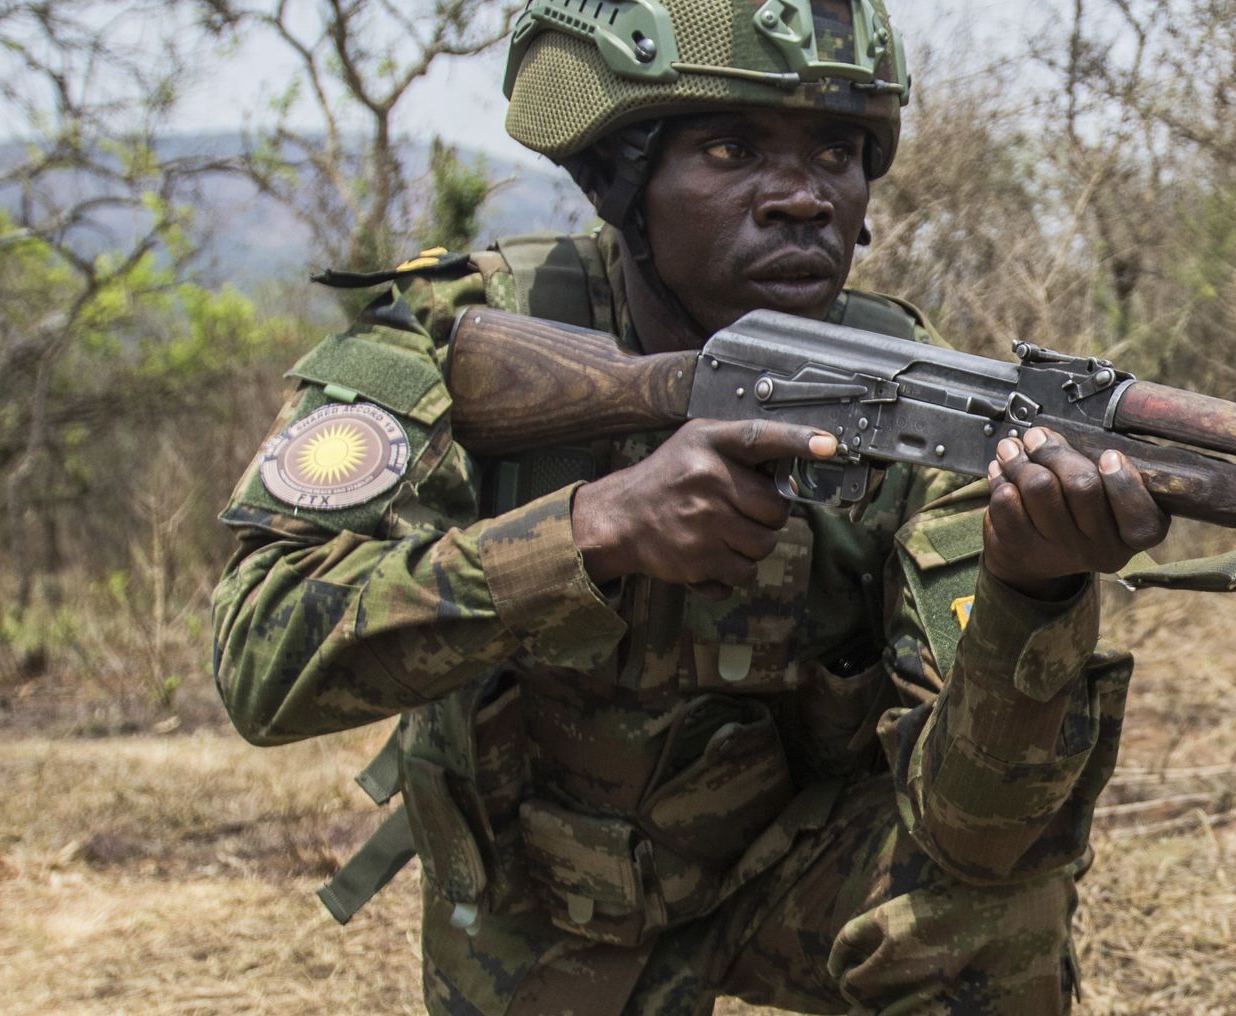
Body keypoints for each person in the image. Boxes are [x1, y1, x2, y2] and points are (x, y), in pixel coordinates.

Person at [208, 0, 1167, 1011]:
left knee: (991, 907)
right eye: (730, 146)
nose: (802, 197)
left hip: (796, 869)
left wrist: (1034, 591)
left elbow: (980, 834)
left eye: (838, 149)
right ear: (624, 178)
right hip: (542, 898)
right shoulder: (461, 338)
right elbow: (262, 654)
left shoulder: (924, 399)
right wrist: (589, 531)